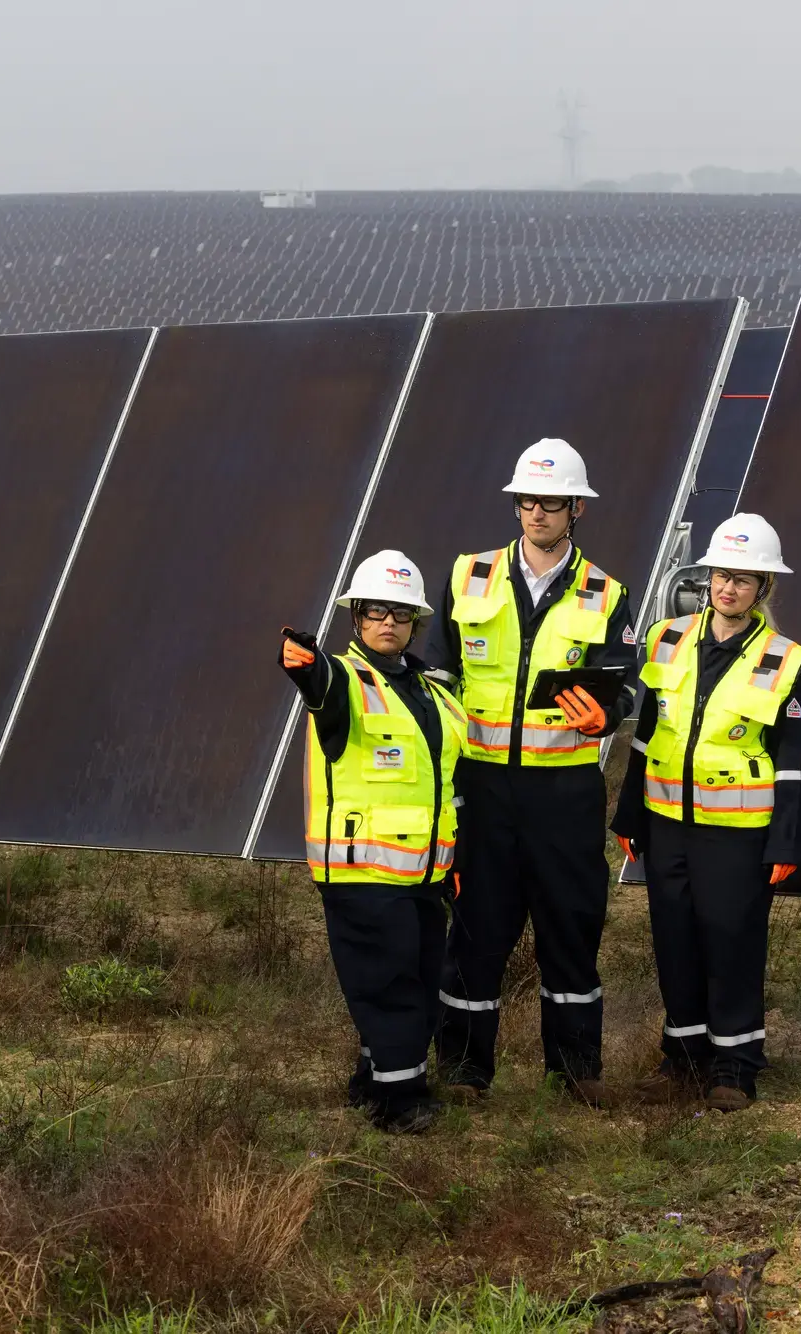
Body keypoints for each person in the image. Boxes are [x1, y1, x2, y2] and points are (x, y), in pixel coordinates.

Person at [420, 439, 637, 1107]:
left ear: (577, 509)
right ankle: (463, 1074)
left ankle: (575, 1074)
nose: (535, 513)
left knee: (571, 930)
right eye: (525, 501)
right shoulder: (467, 577)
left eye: (549, 502)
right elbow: (435, 683)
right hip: (483, 789)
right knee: (477, 932)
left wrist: (607, 715)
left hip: (564, 793)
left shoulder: (607, 594)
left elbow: (627, 692)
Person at [610, 513, 801, 1112]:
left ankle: (736, 1065)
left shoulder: (784, 657)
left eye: (744, 580)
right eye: (722, 576)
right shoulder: (666, 638)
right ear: (707, 580)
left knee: (732, 941)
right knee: (674, 940)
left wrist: (783, 841)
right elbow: (646, 734)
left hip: (739, 832)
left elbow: (789, 758)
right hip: (666, 821)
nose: (730, 589)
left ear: (762, 590)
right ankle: (682, 1059)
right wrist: (628, 815)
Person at [281, 550, 466, 1134]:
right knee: (388, 989)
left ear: (416, 623)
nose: (389, 622)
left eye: (401, 614)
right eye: (376, 611)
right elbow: (320, 685)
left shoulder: (434, 692)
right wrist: (305, 667)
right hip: (361, 872)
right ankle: (400, 1101)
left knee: (416, 980)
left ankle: (372, 1079)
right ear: (356, 617)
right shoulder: (343, 680)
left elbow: (448, 784)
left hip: (423, 874)